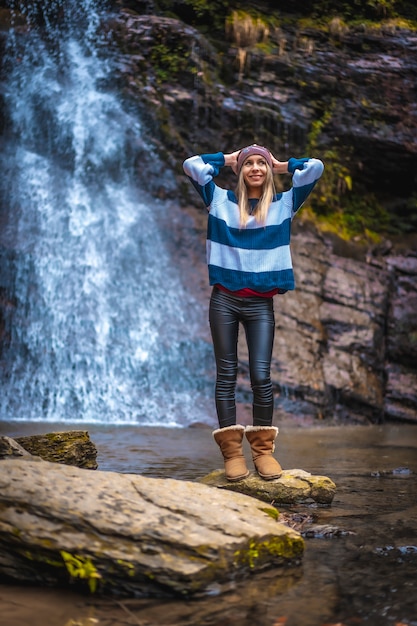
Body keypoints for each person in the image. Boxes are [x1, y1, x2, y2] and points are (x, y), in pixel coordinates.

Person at [183, 145, 324, 481]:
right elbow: (192, 165)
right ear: (240, 171)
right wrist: (230, 159)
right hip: (224, 301)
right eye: (250, 164)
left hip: (261, 304)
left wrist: (281, 165)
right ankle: (232, 455)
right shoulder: (218, 200)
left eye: (262, 163)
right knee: (226, 376)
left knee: (261, 376)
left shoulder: (285, 203)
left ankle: (263, 453)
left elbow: (315, 167)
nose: (256, 168)